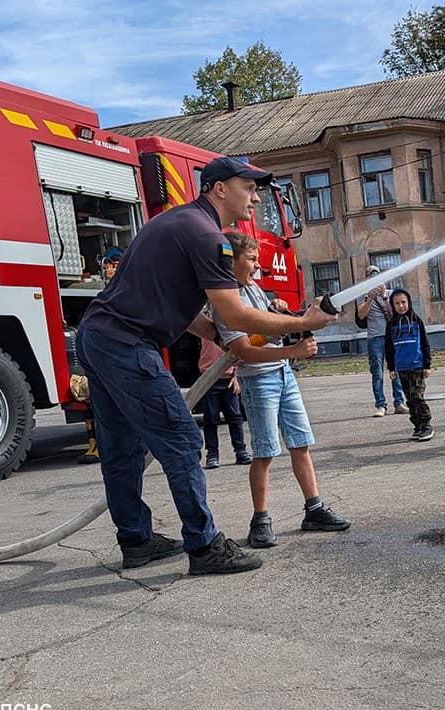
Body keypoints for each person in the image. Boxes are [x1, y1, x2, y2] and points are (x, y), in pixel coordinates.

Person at [76, 156, 336, 576]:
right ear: (219, 188)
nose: (255, 197)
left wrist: (213, 336)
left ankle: (137, 540)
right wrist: (304, 323)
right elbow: (234, 314)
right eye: (248, 187)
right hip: (127, 344)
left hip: (99, 337)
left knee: (122, 448)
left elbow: (177, 301)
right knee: (180, 439)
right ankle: (204, 546)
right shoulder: (209, 238)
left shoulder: (177, 223)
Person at [213, 231, 350, 547]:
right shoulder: (226, 301)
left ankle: (314, 509)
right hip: (259, 380)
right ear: (230, 261)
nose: (256, 264)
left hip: (283, 375)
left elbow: (267, 333)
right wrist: (293, 351)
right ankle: (260, 520)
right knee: (264, 451)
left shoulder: (255, 290)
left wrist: (282, 315)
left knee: (300, 443)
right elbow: (245, 351)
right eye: (250, 259)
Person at [356, 265, 408, 417]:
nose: (374, 278)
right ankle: (380, 405)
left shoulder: (390, 293)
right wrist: (370, 298)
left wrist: (384, 295)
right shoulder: (363, 295)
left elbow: (395, 313)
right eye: (371, 275)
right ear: (366, 277)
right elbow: (361, 315)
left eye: (377, 275)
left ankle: (399, 402)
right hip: (375, 338)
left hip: (391, 336)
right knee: (377, 372)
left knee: (395, 370)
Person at [384, 288, 435, 440]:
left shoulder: (416, 321)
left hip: (417, 366)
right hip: (402, 368)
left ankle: (426, 425)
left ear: (409, 303)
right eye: (397, 303)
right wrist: (391, 368)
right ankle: (417, 426)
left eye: (403, 302)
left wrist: (427, 365)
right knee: (410, 399)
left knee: (417, 396)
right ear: (392, 305)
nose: (401, 306)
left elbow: (425, 344)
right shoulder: (391, 324)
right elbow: (389, 348)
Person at [196, 331, 251, 468]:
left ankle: (240, 451)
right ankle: (212, 454)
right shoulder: (205, 323)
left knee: (235, 417)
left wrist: (236, 376)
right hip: (209, 376)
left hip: (229, 378)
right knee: (210, 419)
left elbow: (241, 348)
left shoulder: (230, 325)